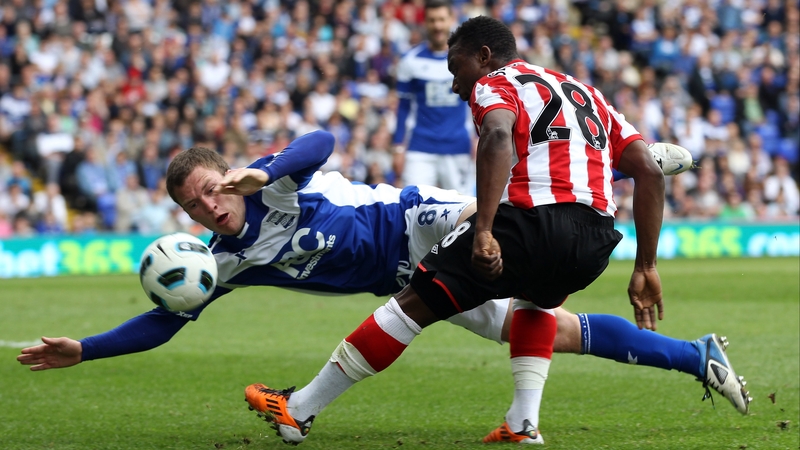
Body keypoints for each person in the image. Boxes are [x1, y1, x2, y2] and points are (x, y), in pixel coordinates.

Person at [17, 131, 746, 440]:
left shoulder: (267, 181)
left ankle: (630, 161)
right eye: (194, 205)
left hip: (417, 220)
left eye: (211, 189)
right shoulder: (219, 260)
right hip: (414, 279)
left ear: (226, 174)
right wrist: (86, 349)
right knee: (548, 328)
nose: (210, 205)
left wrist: (264, 170)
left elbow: (320, 144)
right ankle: (695, 354)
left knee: (521, 208)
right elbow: (166, 322)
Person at [241, 18, 751, 446]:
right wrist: (647, 266)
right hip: (596, 237)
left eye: (456, 69)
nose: (455, 84)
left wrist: (484, 227)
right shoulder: (586, 92)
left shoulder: (496, 84)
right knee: (536, 303)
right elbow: (648, 168)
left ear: (483, 57)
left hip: (528, 223)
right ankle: (522, 423)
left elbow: (500, 135)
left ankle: (299, 409)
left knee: (410, 305)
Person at [392, 0, 475, 194]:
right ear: (424, 23)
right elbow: (403, 107)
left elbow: (476, 102)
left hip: (458, 148)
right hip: (420, 148)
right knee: (411, 207)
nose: (437, 25)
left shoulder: (467, 60)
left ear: (450, 20)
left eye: (441, 19)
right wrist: (397, 147)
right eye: (432, 20)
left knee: (464, 210)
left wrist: (479, 138)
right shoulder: (410, 61)